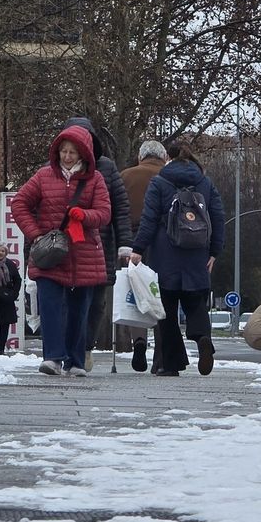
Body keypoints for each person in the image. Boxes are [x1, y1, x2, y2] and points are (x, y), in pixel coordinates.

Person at [8, 124, 111, 377]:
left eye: (72, 153)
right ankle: (52, 357)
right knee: (50, 306)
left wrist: (84, 215)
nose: (67, 157)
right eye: (63, 151)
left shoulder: (95, 179)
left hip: (84, 254)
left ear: (83, 154)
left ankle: (75, 361)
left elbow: (104, 213)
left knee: (79, 310)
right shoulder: (43, 176)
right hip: (50, 254)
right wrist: (35, 234)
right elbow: (20, 203)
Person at [128, 141, 226, 377]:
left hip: (165, 252)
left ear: (168, 158)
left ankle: (170, 364)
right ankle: (202, 338)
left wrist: (138, 249)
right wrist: (214, 252)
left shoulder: (160, 182)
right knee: (196, 303)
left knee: (167, 310)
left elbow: (149, 219)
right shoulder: (204, 182)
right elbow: (218, 217)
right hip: (198, 253)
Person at [62, 118, 131, 366]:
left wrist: (125, 244)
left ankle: (86, 346)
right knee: (69, 301)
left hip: (99, 248)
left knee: (95, 303)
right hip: (65, 246)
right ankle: (70, 349)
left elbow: (120, 209)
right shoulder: (55, 167)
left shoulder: (107, 168)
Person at [117, 140, 168, 371]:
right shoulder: (170, 177)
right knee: (160, 295)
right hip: (164, 243)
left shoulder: (126, 175)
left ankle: (138, 341)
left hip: (131, 241)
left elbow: (116, 209)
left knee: (136, 293)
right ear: (164, 157)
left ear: (140, 157)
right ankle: (161, 354)